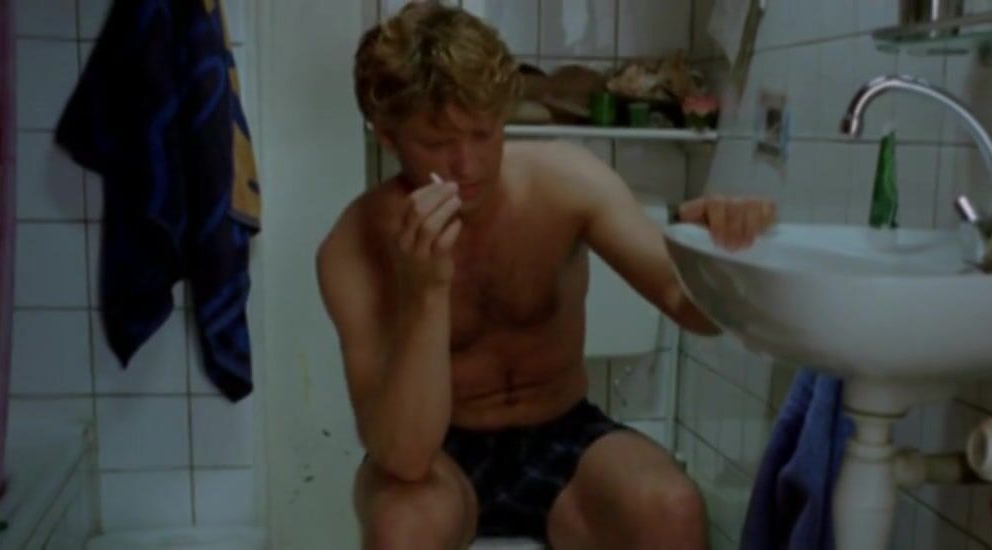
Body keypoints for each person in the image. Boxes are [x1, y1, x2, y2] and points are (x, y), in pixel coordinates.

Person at [316, 4, 776, 549]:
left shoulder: (565, 181)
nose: (468, 164)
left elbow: (688, 305)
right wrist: (426, 292)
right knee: (401, 529)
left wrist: (724, 252)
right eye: (437, 143)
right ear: (389, 139)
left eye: (485, 132)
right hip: (436, 454)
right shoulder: (355, 246)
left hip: (565, 435)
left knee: (671, 508)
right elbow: (405, 455)